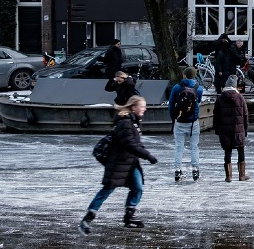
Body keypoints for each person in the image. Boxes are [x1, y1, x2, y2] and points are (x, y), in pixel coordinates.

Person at [78, 95, 158, 235]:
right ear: (133, 107)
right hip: (118, 163)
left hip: (131, 162)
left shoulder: (134, 122)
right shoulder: (125, 123)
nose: (145, 109)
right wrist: (148, 156)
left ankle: (129, 217)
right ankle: (87, 218)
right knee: (107, 189)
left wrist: (144, 152)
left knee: (138, 187)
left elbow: (136, 143)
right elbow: (130, 144)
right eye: (142, 106)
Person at [169, 67, 204, 183]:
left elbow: (171, 104)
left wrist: (174, 117)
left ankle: (178, 171)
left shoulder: (177, 87)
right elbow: (198, 102)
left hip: (179, 121)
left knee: (179, 147)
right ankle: (195, 170)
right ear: (194, 76)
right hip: (193, 122)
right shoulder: (199, 88)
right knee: (194, 147)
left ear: (184, 75)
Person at [214, 77, 250, 181]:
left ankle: (228, 176)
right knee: (241, 150)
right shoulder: (240, 98)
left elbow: (216, 116)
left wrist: (216, 129)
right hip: (238, 129)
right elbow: (245, 115)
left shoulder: (220, 99)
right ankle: (242, 175)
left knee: (227, 151)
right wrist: (245, 129)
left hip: (224, 130)